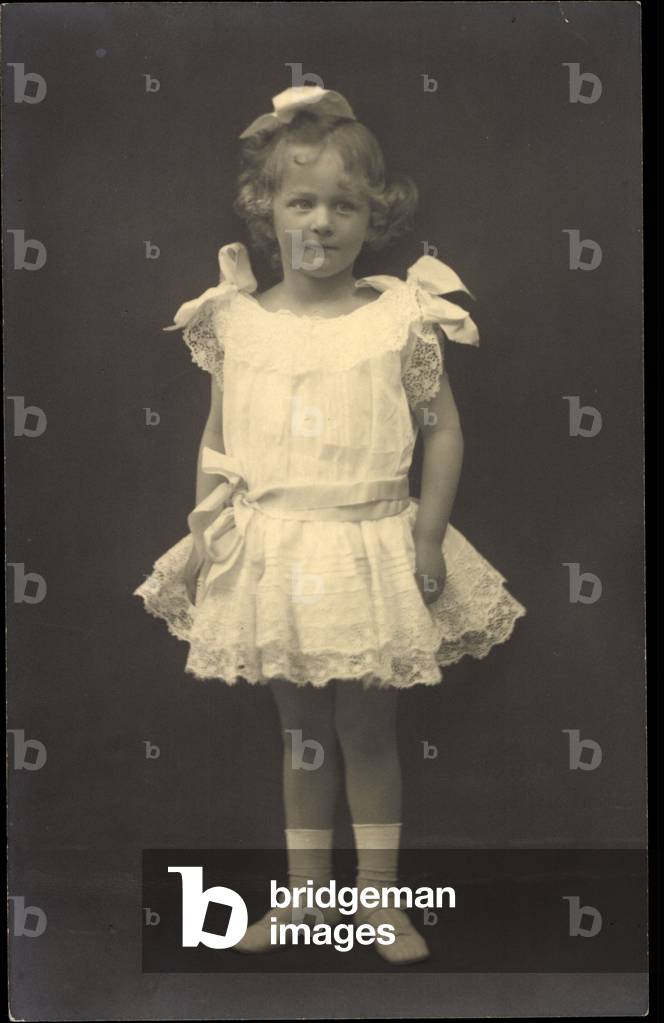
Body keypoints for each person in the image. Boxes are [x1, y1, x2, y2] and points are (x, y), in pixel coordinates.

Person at [134, 85, 526, 964]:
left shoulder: (398, 317)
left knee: (366, 728)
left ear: (373, 216)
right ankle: (309, 895)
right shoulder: (235, 320)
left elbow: (442, 427)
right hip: (274, 549)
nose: (321, 222)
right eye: (300, 201)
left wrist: (426, 535)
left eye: (344, 204)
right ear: (265, 210)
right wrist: (207, 540)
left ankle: (379, 902)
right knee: (300, 731)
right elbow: (218, 439)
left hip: (369, 545)